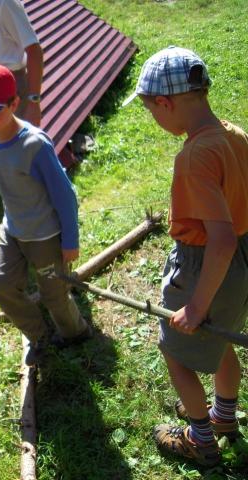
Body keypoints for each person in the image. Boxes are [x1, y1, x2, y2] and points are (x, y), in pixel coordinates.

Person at [123, 46, 248, 467]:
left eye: (150, 111)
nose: (154, 118)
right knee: (221, 337)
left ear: (165, 103)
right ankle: (224, 418)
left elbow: (220, 240)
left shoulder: (194, 156)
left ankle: (200, 440)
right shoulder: (235, 135)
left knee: (176, 352)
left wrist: (195, 306)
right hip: (242, 263)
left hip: (204, 265)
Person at [0, 64, 91, 366]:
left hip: (45, 237)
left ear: (14, 103)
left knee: (54, 293)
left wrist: (70, 240)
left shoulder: (34, 145)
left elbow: (65, 196)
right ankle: (38, 334)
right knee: (2, 287)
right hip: (13, 230)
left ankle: (76, 333)